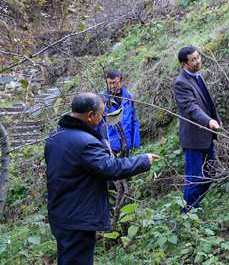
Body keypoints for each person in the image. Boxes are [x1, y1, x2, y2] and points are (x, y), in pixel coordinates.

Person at [45, 92, 159, 265]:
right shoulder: (85, 142)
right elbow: (109, 168)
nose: (103, 117)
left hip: (61, 212)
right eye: (101, 114)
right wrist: (143, 160)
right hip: (78, 217)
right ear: (90, 115)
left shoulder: (55, 136)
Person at [173, 46, 221, 212]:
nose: (197, 61)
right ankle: (187, 212)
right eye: (193, 60)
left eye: (198, 57)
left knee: (210, 173)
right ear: (183, 64)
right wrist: (209, 121)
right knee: (194, 178)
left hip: (206, 135)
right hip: (194, 139)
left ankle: (194, 206)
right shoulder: (181, 83)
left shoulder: (197, 76)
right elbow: (191, 108)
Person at [98, 69, 140, 157]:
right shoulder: (102, 99)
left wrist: (136, 144)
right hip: (110, 146)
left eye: (115, 82)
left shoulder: (128, 97)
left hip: (127, 144)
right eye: (109, 83)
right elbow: (97, 124)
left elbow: (134, 120)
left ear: (121, 81)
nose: (112, 86)